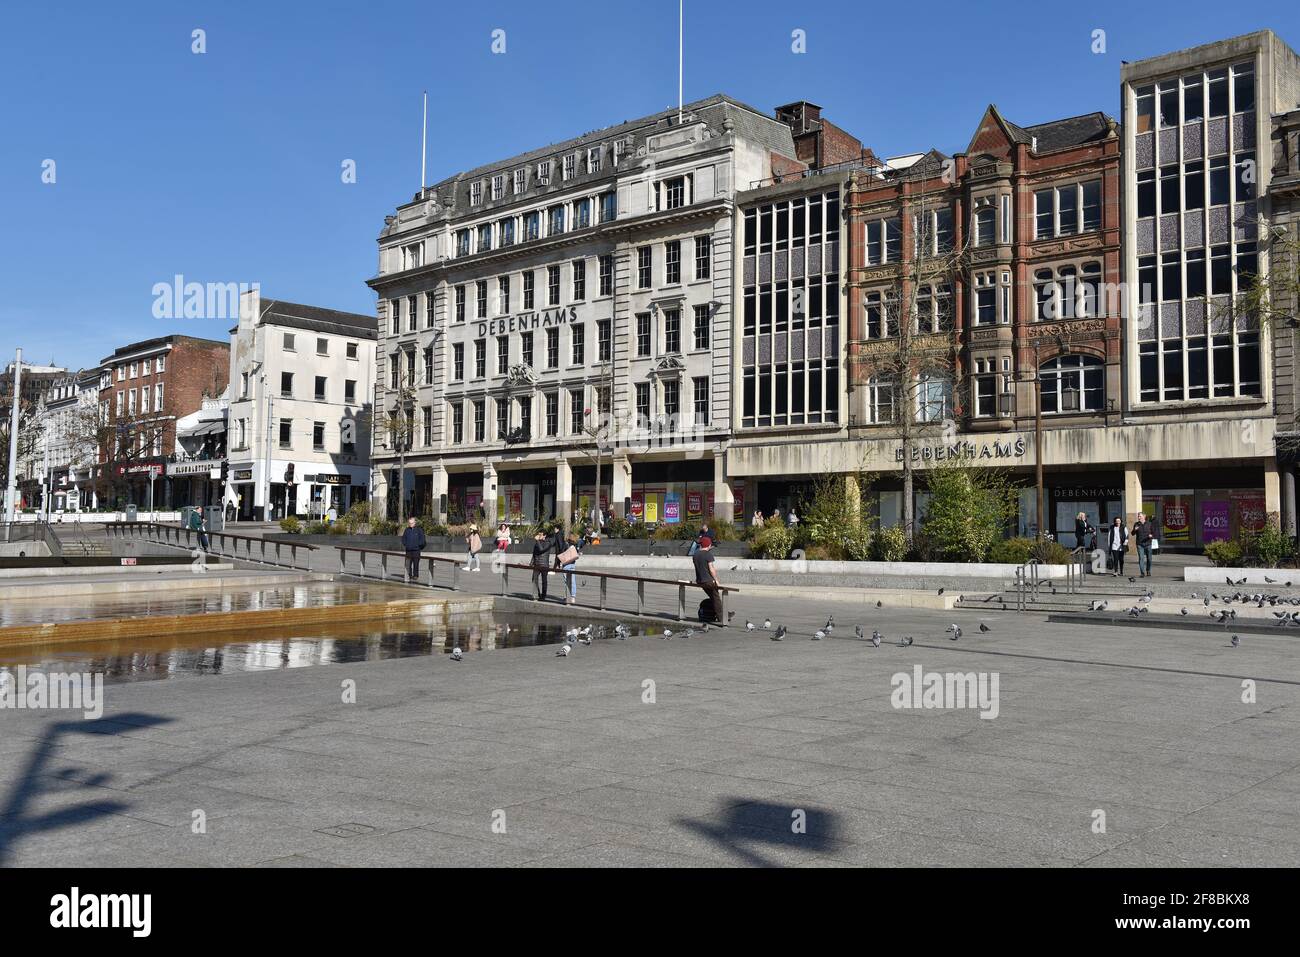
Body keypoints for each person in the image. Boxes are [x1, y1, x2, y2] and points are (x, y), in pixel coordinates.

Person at [693, 536, 723, 623]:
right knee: (716, 598)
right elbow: (711, 569)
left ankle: (725, 614)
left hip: (700, 581)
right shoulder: (708, 554)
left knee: (713, 598)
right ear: (709, 545)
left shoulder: (695, 554)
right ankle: (722, 618)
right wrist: (716, 580)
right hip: (708, 581)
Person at [558, 533, 584, 605]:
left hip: (566, 565)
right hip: (572, 564)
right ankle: (573, 597)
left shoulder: (565, 544)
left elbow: (562, 552)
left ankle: (566, 597)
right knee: (573, 581)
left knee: (566, 582)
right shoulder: (575, 545)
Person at [401, 516, 426, 583]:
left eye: (411, 523)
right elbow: (403, 539)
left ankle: (415, 575)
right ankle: (409, 574)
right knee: (408, 563)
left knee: (416, 563)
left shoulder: (419, 530)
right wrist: (406, 544)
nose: (410, 524)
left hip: (416, 550)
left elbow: (422, 540)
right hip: (408, 550)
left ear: (415, 523)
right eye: (409, 523)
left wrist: (418, 546)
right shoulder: (407, 530)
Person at [530, 530, 554, 600]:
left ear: (544, 535)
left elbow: (541, 549)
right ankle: (537, 594)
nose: (539, 536)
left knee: (544, 581)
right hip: (537, 564)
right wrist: (531, 562)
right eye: (538, 534)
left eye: (540, 535)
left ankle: (543, 596)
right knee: (534, 579)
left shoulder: (548, 543)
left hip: (544, 565)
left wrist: (537, 541)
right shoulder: (537, 543)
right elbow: (534, 553)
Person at [1132, 513, 1156, 578]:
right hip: (1139, 544)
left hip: (1148, 543)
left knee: (1149, 559)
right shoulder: (1136, 524)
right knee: (1141, 558)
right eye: (1138, 516)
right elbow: (1132, 533)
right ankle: (1142, 573)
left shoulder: (1149, 524)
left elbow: (1154, 532)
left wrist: (1151, 536)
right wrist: (1135, 530)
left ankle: (1148, 570)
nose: (1139, 517)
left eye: (1140, 516)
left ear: (1144, 517)